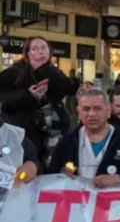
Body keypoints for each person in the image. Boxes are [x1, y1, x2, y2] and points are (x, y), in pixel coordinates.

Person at [0, 36, 76, 169]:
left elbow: (69, 88)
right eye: (35, 48)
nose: (41, 52)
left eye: (43, 48)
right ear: (27, 53)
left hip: (53, 131)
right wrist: (28, 95)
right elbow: (5, 100)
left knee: (52, 169)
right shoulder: (12, 73)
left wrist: (42, 70)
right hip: (24, 133)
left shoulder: (53, 71)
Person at [48, 88, 120, 187]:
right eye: (86, 109)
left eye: (97, 108)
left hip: (115, 202)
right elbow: (49, 178)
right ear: (78, 112)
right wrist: (61, 174)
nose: (91, 114)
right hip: (78, 202)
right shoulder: (67, 142)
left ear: (108, 111)